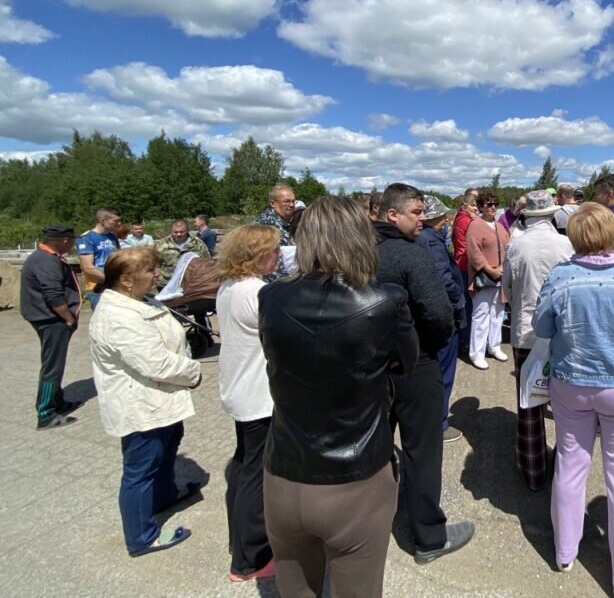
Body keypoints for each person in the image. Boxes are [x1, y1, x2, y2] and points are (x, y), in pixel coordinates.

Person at [259, 196, 418, 597]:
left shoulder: (271, 297)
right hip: (357, 478)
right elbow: (405, 362)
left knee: (294, 589)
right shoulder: (385, 300)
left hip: (282, 471)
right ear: (361, 237)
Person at [533, 203, 614, 598]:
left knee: (571, 463)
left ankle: (565, 551)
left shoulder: (561, 276)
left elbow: (541, 325)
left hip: (572, 382)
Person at [373, 184, 472, 564]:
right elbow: (437, 312)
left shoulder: (356, 250)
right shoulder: (408, 254)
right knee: (422, 452)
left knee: (376, 448)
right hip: (415, 365)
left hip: (369, 366)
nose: (423, 219)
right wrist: (429, 344)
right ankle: (429, 538)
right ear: (392, 214)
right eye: (416, 212)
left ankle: (372, 524)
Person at [89, 247, 202, 557]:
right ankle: (141, 536)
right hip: (141, 404)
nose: (157, 275)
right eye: (150, 271)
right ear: (126, 280)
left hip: (159, 398)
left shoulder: (137, 301)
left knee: (167, 447)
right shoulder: (118, 316)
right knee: (141, 468)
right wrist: (194, 372)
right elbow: (155, 363)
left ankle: (163, 495)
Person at [216, 224, 281, 581]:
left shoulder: (229, 287)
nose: (277, 257)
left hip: (239, 387)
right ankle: (250, 558)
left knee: (244, 465)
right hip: (258, 394)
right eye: (272, 251)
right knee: (257, 473)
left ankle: (240, 542)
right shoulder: (257, 292)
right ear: (257, 256)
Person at [502, 190, 574, 491]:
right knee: (566, 406)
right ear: (551, 214)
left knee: (530, 404)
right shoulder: (566, 243)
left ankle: (533, 472)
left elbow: (506, 286)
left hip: (526, 331)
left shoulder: (516, 246)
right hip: (562, 331)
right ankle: (566, 473)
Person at [20, 224, 82, 430]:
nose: (73, 244)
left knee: (54, 363)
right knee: (52, 367)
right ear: (65, 241)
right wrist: (68, 318)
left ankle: (58, 401)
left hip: (49, 319)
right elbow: (53, 294)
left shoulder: (44, 256)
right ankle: (45, 413)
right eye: (72, 240)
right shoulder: (46, 261)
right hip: (52, 321)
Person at [415, 194, 467, 443]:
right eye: (444, 216)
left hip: (429, 316)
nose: (447, 220)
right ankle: (440, 424)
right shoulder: (432, 242)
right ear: (437, 218)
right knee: (444, 371)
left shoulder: (420, 238)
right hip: (444, 315)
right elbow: (443, 278)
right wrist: (458, 302)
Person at [465, 191, 510, 369]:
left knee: (498, 313)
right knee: (481, 314)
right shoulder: (475, 225)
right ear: (481, 206)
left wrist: (503, 269)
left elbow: (509, 246)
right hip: (484, 277)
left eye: (495, 204)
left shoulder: (499, 226)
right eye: (488, 204)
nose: (492, 207)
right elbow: (473, 251)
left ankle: (494, 346)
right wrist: (489, 269)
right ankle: (476, 352)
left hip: (501, 276)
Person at [76, 207, 121, 308]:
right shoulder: (86, 238)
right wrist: (110, 280)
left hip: (116, 286)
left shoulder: (112, 237)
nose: (119, 223)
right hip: (98, 288)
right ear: (102, 220)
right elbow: (87, 267)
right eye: (115, 221)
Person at [452, 191, 479, 353]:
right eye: (473, 205)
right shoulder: (467, 221)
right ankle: (466, 340)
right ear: (465, 205)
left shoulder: (459, 218)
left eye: (476, 205)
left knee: (467, 304)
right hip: (464, 264)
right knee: (469, 306)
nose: (476, 208)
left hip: (460, 262)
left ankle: (465, 339)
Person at [254, 184, 296, 280]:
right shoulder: (266, 225)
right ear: (273, 203)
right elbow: (269, 263)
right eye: (286, 201)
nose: (292, 205)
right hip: (274, 284)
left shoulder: (287, 223)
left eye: (293, 201)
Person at [155, 219, 211, 286]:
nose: (178, 234)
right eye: (175, 232)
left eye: (182, 232)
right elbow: (154, 263)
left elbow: (207, 263)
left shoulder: (198, 244)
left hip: (191, 284)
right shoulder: (162, 244)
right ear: (171, 231)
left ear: (187, 231)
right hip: (166, 284)